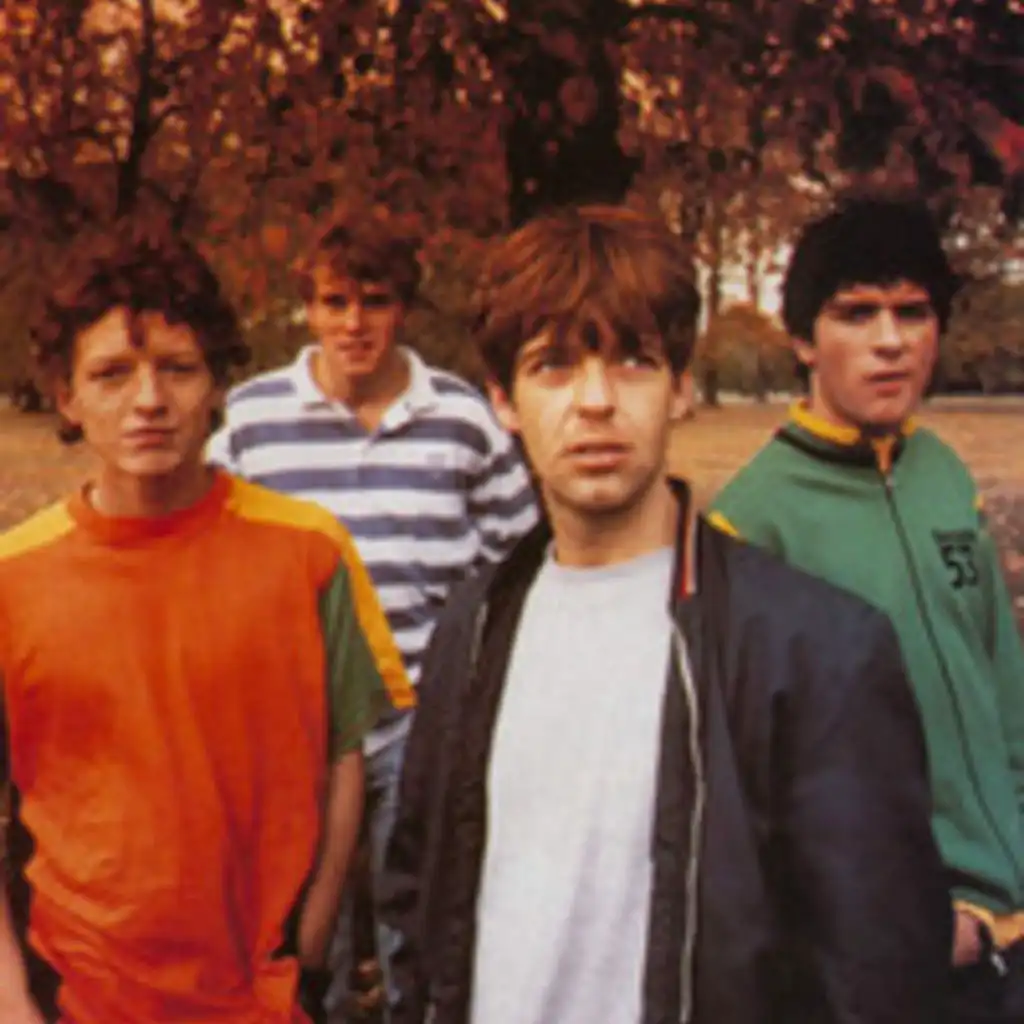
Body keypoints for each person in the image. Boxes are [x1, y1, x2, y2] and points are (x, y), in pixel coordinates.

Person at [379, 203, 952, 1024]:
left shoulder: (817, 650)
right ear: (502, 400)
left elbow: (878, 974)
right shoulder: (471, 629)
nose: (595, 401)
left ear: (680, 388)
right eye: (553, 366)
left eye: (633, 361)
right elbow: (419, 898)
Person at [0, 222, 414, 1024]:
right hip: (82, 995)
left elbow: (346, 755)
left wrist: (313, 943)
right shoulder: (12, 579)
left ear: (219, 384)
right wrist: (14, 1002)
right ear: (66, 395)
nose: (149, 401)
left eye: (178, 369)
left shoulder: (308, 551)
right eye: (112, 374)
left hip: (263, 996)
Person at [206, 209, 537, 1019]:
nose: (354, 324)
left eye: (375, 302)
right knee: (301, 934)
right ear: (308, 309)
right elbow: (207, 554)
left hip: (425, 716)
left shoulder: (462, 419)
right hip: (296, 722)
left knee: (415, 927)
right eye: (335, 302)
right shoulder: (250, 421)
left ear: (403, 309)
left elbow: (521, 565)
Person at [710, 193, 1024, 1023]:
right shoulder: (749, 526)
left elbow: (1003, 688)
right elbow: (753, 803)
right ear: (803, 340)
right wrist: (906, 923)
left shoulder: (945, 474)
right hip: (905, 958)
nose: (891, 341)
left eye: (912, 312)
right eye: (856, 314)